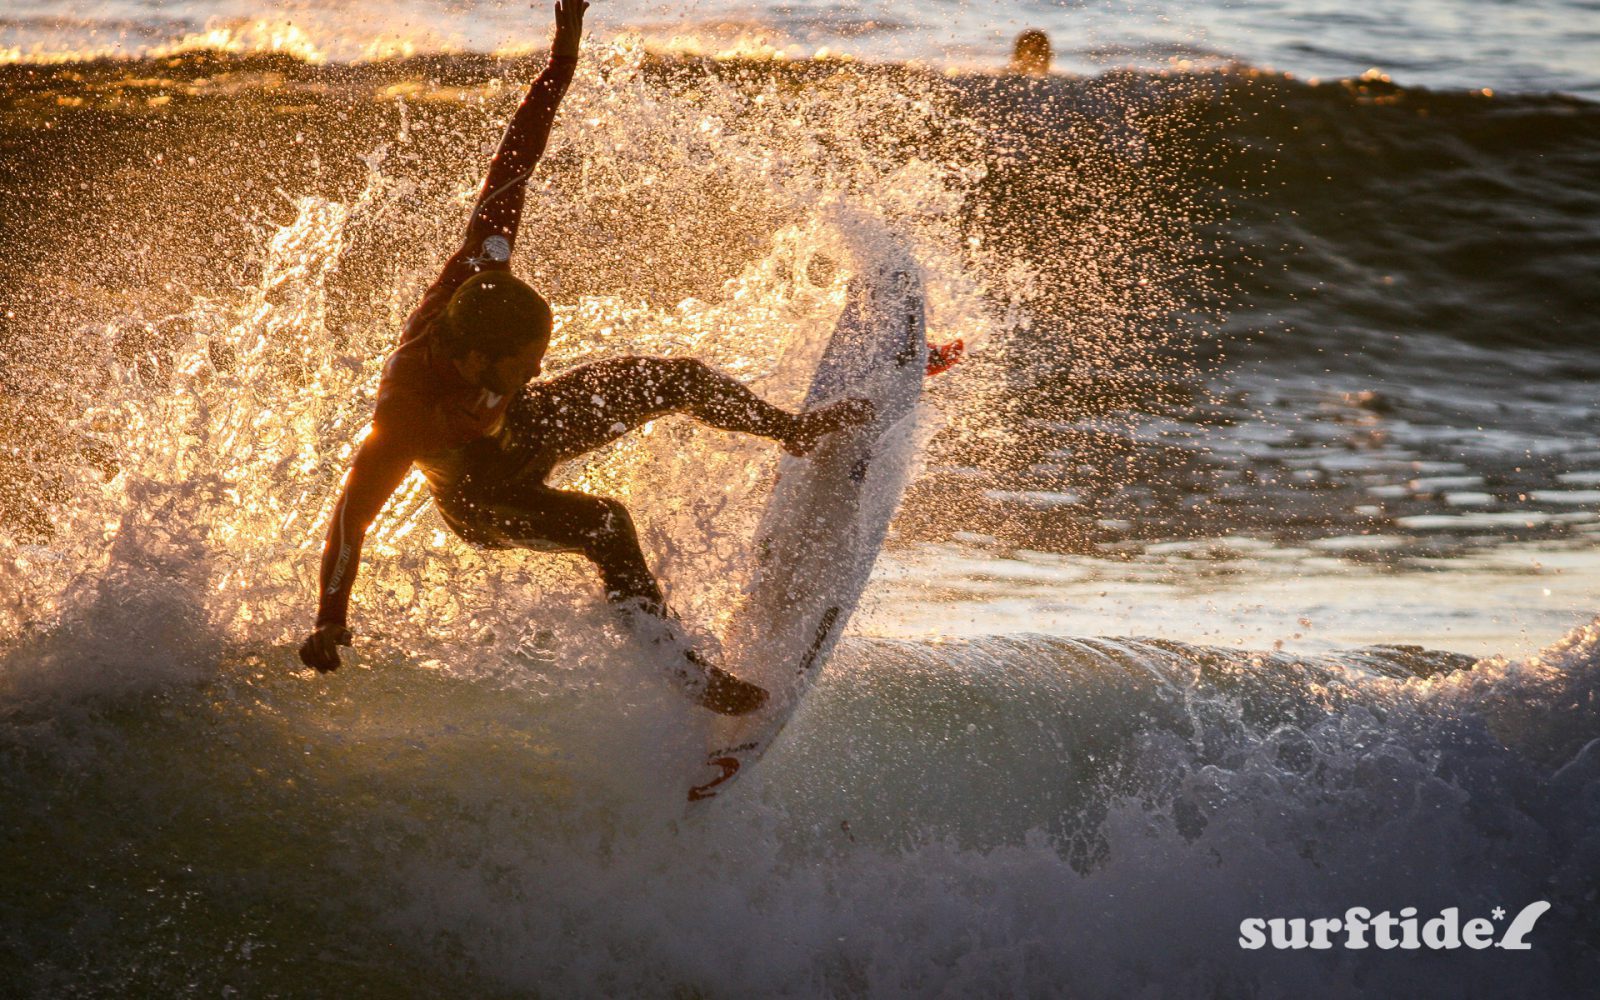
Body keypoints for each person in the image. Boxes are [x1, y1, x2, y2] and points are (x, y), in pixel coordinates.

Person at [295, 0, 878, 715]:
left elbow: (513, 163)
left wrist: (559, 67)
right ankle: (683, 673)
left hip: (528, 431)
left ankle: (792, 430)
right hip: (485, 499)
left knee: (673, 379)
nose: (535, 372)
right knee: (606, 524)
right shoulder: (408, 413)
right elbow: (350, 518)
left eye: (538, 358)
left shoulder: (483, 270)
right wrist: (330, 619)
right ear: (474, 361)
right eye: (520, 367)